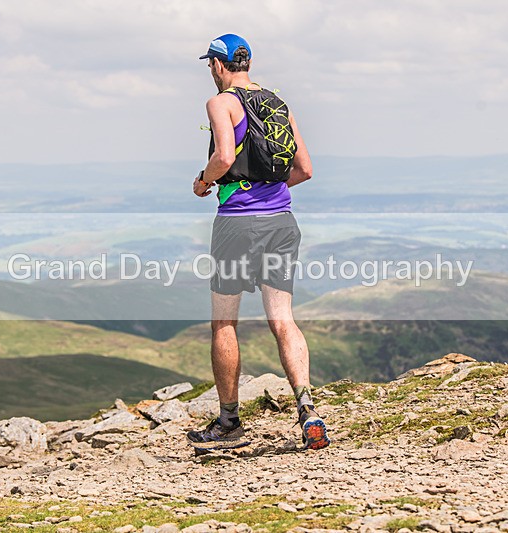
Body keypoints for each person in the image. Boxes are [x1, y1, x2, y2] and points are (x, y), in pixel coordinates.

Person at [187, 33, 330, 451]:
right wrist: (268, 190)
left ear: (218, 64)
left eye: (209, 64)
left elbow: (225, 157)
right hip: (282, 221)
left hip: (237, 224)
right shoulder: (279, 105)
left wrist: (204, 181)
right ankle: (307, 411)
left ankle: (229, 422)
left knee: (224, 322)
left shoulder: (221, 102)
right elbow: (304, 169)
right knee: (283, 320)